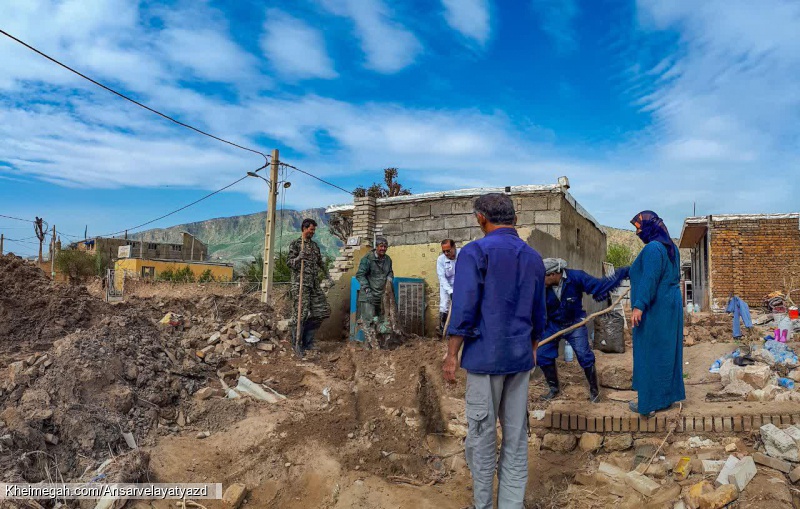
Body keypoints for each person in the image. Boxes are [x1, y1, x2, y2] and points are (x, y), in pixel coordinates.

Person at [443, 193, 547, 509]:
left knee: (482, 437)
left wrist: (451, 354)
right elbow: (538, 315)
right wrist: (530, 350)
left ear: (481, 218)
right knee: (515, 439)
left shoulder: (474, 253)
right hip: (519, 361)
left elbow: (464, 308)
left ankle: (483, 504)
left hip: (484, 360)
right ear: (513, 218)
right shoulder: (533, 257)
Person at [537, 258, 630, 403]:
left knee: (583, 354)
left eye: (544, 276)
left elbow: (598, 286)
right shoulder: (541, 286)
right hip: (553, 324)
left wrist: (622, 274)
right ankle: (554, 389)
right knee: (542, 354)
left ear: (554, 274)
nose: (541, 280)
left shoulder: (576, 277)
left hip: (574, 323)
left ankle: (594, 391)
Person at [628, 210, 685, 415]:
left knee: (649, 352)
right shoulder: (671, 248)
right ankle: (664, 398)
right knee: (666, 352)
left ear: (650, 227)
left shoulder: (653, 248)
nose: (638, 232)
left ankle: (649, 404)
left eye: (640, 228)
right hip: (671, 307)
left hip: (655, 308)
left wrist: (639, 305)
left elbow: (650, 279)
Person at [287, 219, 331, 358]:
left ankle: (307, 340)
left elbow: (319, 262)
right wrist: (299, 258)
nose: (313, 232)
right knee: (300, 314)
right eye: (311, 229)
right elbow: (289, 262)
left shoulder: (314, 246)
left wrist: (328, 276)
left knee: (323, 311)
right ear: (304, 228)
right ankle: (297, 343)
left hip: (313, 284)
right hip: (300, 284)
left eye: (314, 230)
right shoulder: (296, 244)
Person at [356, 236, 394, 333]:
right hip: (369, 295)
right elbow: (360, 275)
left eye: (385, 247)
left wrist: (390, 278)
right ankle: (369, 346)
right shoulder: (367, 259)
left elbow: (390, 272)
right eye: (381, 246)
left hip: (381, 296)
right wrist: (367, 289)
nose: (383, 249)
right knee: (368, 322)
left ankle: (379, 344)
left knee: (381, 321)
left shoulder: (388, 259)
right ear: (376, 247)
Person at [436, 239, 460, 336]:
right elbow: (441, 277)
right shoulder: (441, 260)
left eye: (448, 250)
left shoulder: (462, 254)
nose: (446, 253)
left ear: (454, 247)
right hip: (446, 284)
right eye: (444, 251)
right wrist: (450, 292)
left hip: (461, 282)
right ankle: (442, 330)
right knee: (444, 304)